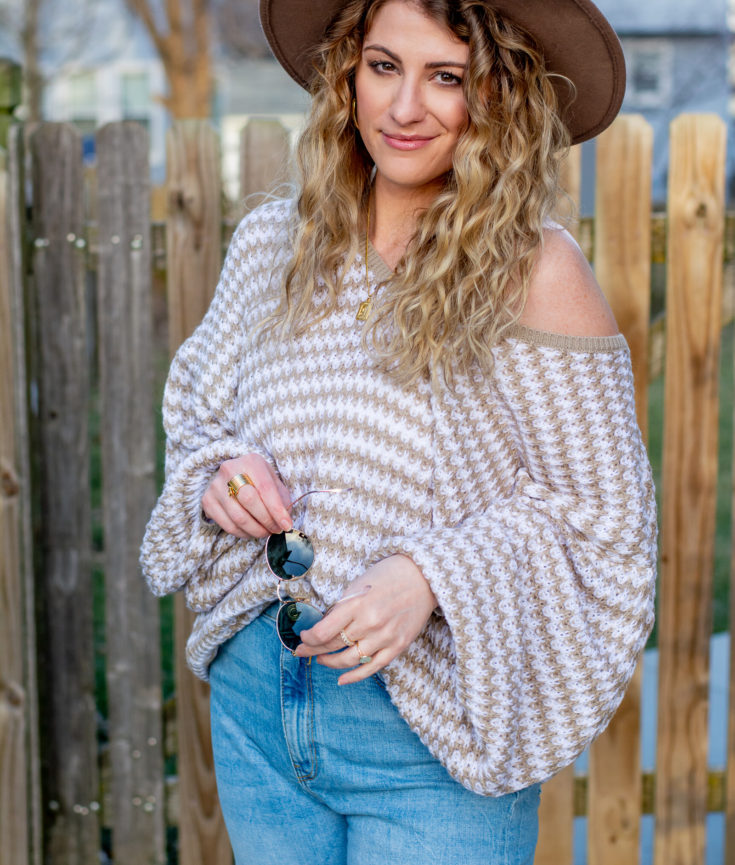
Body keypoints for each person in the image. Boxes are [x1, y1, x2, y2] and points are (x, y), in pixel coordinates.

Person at [141, 0, 657, 862]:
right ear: (347, 74)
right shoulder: (275, 243)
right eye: (383, 66)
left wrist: (431, 574)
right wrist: (219, 473)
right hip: (257, 705)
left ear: (499, 98)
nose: (404, 107)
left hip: (429, 733)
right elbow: (198, 413)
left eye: (445, 77)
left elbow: (604, 522)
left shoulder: (534, 270)